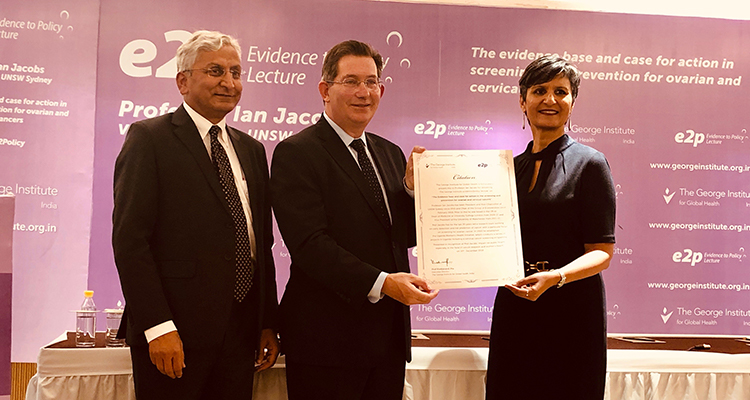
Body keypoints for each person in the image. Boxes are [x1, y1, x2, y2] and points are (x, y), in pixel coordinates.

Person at [112, 30, 279, 400]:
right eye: (216, 71)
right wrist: (158, 326)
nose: (229, 82)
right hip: (174, 336)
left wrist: (267, 322)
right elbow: (130, 241)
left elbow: (259, 243)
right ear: (183, 81)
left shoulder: (251, 150)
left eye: (236, 72)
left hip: (240, 336)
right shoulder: (149, 139)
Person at [270, 40, 438, 400]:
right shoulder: (297, 153)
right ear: (324, 90)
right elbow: (309, 246)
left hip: (387, 343)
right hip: (326, 345)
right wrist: (384, 284)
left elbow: (399, 238)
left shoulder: (389, 153)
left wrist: (410, 191)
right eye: (351, 81)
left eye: (371, 81)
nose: (363, 92)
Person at [485, 55, 616, 400]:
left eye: (561, 91)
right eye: (539, 90)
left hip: (570, 310)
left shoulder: (590, 163)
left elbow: (601, 254)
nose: (550, 100)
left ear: (573, 102)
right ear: (522, 101)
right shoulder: (507, 168)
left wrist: (555, 277)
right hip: (515, 304)